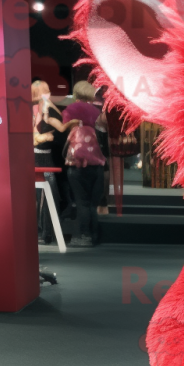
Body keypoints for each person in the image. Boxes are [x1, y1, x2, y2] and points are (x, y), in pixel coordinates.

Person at [32, 80, 79, 244]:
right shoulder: (40, 108)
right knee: (45, 196)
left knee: (47, 196)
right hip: (42, 156)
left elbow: (55, 129)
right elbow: (41, 132)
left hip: (47, 155)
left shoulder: (45, 107)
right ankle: (44, 233)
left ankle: (46, 233)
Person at [62, 81, 107, 246]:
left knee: (82, 202)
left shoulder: (71, 110)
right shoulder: (97, 112)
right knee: (92, 204)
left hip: (78, 163)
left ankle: (83, 235)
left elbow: (65, 131)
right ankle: (94, 235)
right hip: (97, 163)